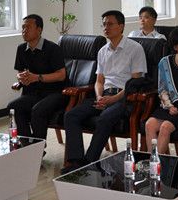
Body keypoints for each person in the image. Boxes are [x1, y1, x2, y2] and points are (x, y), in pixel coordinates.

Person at [62, 10, 146, 172]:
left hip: (125, 98)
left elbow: (135, 83)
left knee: (104, 118)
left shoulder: (135, 49)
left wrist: (113, 99)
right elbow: (99, 81)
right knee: (71, 115)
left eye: (110, 24)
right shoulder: (102, 51)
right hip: (104, 96)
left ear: (121, 26)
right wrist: (100, 96)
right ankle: (75, 161)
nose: (106, 27)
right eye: (104, 24)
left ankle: (88, 163)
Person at [6, 14, 68, 144]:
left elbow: (61, 75)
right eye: (23, 27)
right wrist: (21, 77)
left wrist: (37, 77)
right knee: (13, 107)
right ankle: (27, 144)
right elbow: (20, 71)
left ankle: (38, 147)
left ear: (39, 30)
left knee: (38, 110)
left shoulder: (52, 49)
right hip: (34, 93)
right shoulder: (21, 49)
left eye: (28, 27)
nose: (24, 31)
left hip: (55, 93)